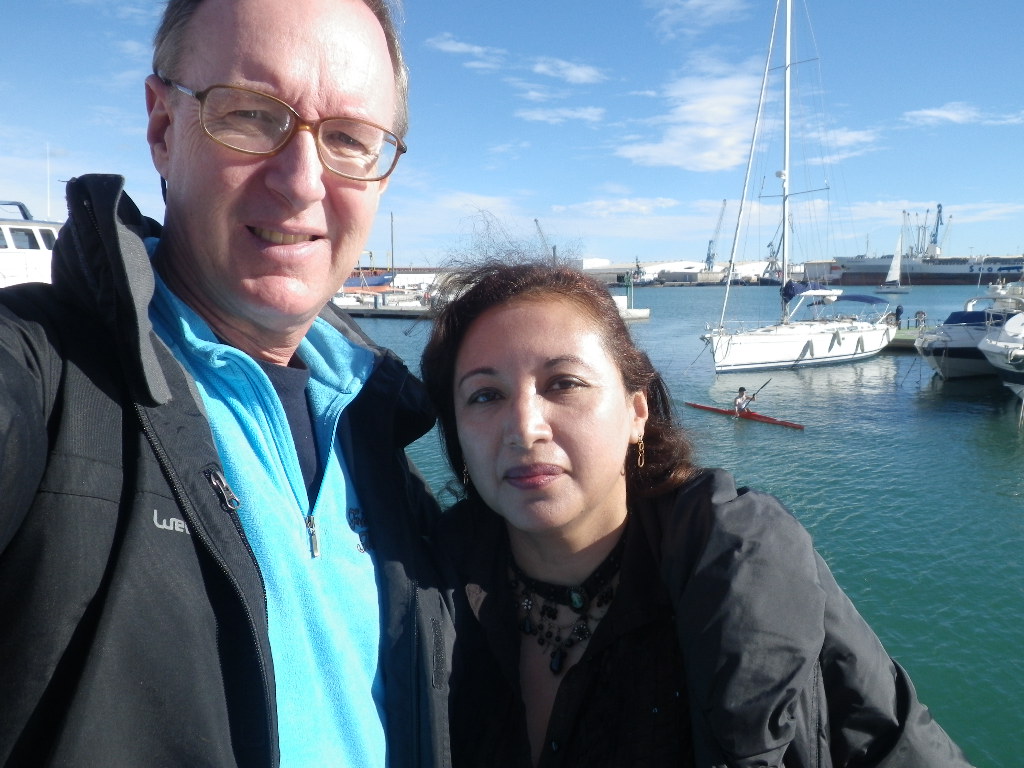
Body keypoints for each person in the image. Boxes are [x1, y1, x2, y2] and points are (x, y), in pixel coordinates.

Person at [0, 1, 453, 766]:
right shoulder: (46, 385)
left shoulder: (382, 440)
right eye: (249, 114)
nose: (302, 182)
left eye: (349, 137)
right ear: (162, 128)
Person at [419, 260, 972, 768]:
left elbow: (896, 746)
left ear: (636, 411)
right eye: (484, 395)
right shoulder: (426, 585)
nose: (525, 428)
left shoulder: (742, 565)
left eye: (564, 383)